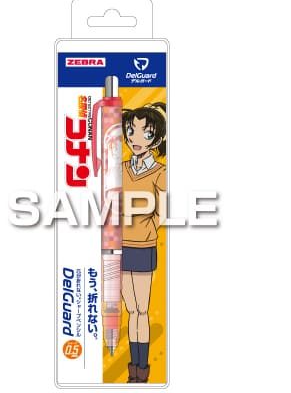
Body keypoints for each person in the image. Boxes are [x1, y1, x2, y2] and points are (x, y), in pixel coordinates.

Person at [121, 102, 166, 383]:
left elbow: (166, 209)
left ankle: (141, 370)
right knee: (130, 310)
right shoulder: (120, 169)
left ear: (157, 139)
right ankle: (133, 369)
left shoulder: (160, 172)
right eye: (131, 131)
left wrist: (150, 227)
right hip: (120, 245)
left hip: (144, 246)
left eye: (145, 133)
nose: (135, 139)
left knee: (141, 310)